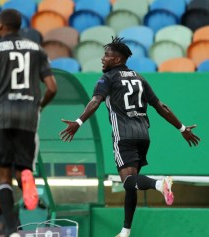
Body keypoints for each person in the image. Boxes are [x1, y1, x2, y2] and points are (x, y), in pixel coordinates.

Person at [59, 37, 200, 237]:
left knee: (128, 182)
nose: (102, 58)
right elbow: (161, 107)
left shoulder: (107, 79)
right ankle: (125, 231)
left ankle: (159, 184)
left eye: (107, 55)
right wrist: (182, 128)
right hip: (143, 136)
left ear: (117, 59)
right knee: (131, 184)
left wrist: (78, 122)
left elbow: (95, 101)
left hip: (123, 136)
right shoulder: (140, 78)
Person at [0, 9, 57, 237]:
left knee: (3, 175)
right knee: (23, 167)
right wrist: (39, 106)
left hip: (2, 114)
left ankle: (13, 230)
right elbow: (52, 87)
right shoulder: (38, 50)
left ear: (0, 25)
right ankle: (26, 176)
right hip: (29, 114)